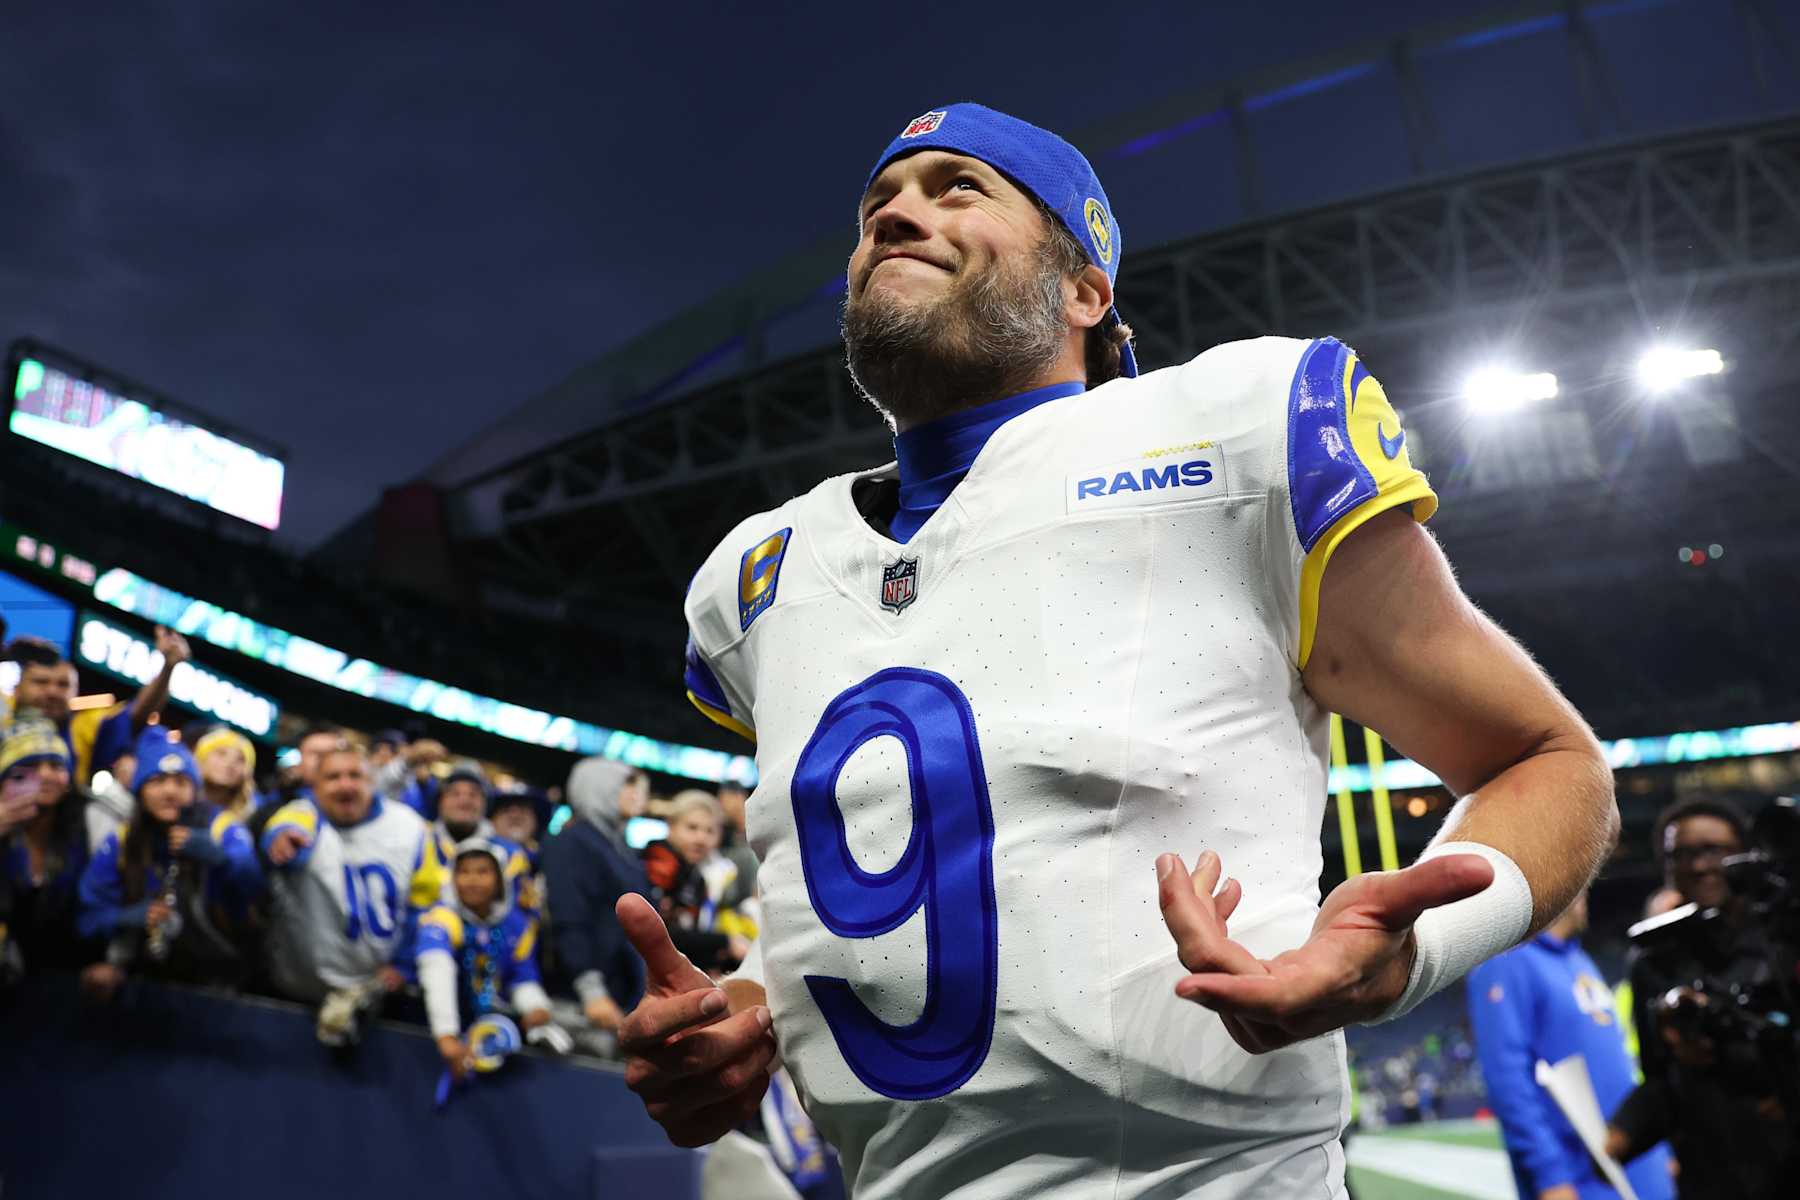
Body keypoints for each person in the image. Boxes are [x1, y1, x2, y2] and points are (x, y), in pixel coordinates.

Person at [627, 103, 1619, 1198]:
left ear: (1085, 291)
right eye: (876, 208)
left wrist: (1408, 957)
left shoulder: (1228, 431)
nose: (898, 214)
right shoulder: (756, 579)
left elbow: (1549, 763)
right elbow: (930, 875)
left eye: (959, 186)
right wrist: (756, 1011)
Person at [1605, 797, 1794, 1198]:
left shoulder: (1783, 937)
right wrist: (1620, 1136)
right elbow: (1660, 1080)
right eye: (1681, 855)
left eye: (1714, 851)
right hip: (1708, 1174)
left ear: (1744, 855)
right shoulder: (1652, 961)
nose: (1699, 865)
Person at [1467, 891, 1672, 1200]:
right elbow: (1508, 1079)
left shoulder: (1578, 958)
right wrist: (1550, 1176)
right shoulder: (1506, 963)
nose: (1586, 890)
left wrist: (1659, 1149)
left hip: (1636, 1164)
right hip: (1581, 1178)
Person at [259, 743, 446, 1045]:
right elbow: (283, 831)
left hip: (375, 1000)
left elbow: (424, 905)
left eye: (355, 775)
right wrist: (281, 842)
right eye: (333, 777)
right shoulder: (302, 816)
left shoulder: (411, 828)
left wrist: (404, 964)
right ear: (315, 787)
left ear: (372, 782)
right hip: (293, 995)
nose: (345, 785)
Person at [76, 729, 262, 998]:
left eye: (181, 781)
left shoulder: (221, 827)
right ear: (141, 789)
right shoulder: (123, 840)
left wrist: (222, 860)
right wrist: (125, 918)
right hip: (141, 976)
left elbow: (254, 885)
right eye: (158, 780)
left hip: (213, 981)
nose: (170, 791)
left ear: (194, 790)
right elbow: (87, 917)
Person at [416, 836, 567, 1082]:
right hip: (434, 1033)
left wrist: (534, 1007)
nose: (472, 879)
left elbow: (522, 976)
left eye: (483, 871)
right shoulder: (440, 919)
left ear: (500, 879)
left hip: (493, 1033)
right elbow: (436, 971)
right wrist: (446, 1036)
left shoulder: (516, 924)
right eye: (463, 872)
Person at [541, 756, 652, 1036]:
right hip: (582, 1000)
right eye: (626, 784)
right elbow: (569, 915)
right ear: (598, 787)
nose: (635, 793)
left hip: (623, 992)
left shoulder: (619, 848)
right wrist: (591, 990)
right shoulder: (571, 841)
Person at [3, 630, 191, 785]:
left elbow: (137, 714)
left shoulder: (85, 728)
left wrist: (168, 668)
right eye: (41, 682)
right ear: (18, 687)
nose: (53, 691)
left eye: (63, 685)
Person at [0, 716, 108, 979]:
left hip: (61, 984)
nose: (46, 775)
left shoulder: (89, 826)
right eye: (30, 766)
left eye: (56, 765)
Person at [640, 790, 750, 975]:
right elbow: (655, 935)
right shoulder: (656, 864)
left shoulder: (697, 875)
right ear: (671, 826)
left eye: (710, 831)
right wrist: (724, 942)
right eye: (692, 828)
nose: (701, 838)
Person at [194, 726, 258, 820]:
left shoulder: (243, 823)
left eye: (240, 759)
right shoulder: (177, 805)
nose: (230, 763)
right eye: (221, 753)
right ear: (201, 758)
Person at [716, 781, 758, 904]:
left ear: (739, 797)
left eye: (724, 799)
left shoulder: (757, 825)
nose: (721, 804)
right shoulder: (724, 830)